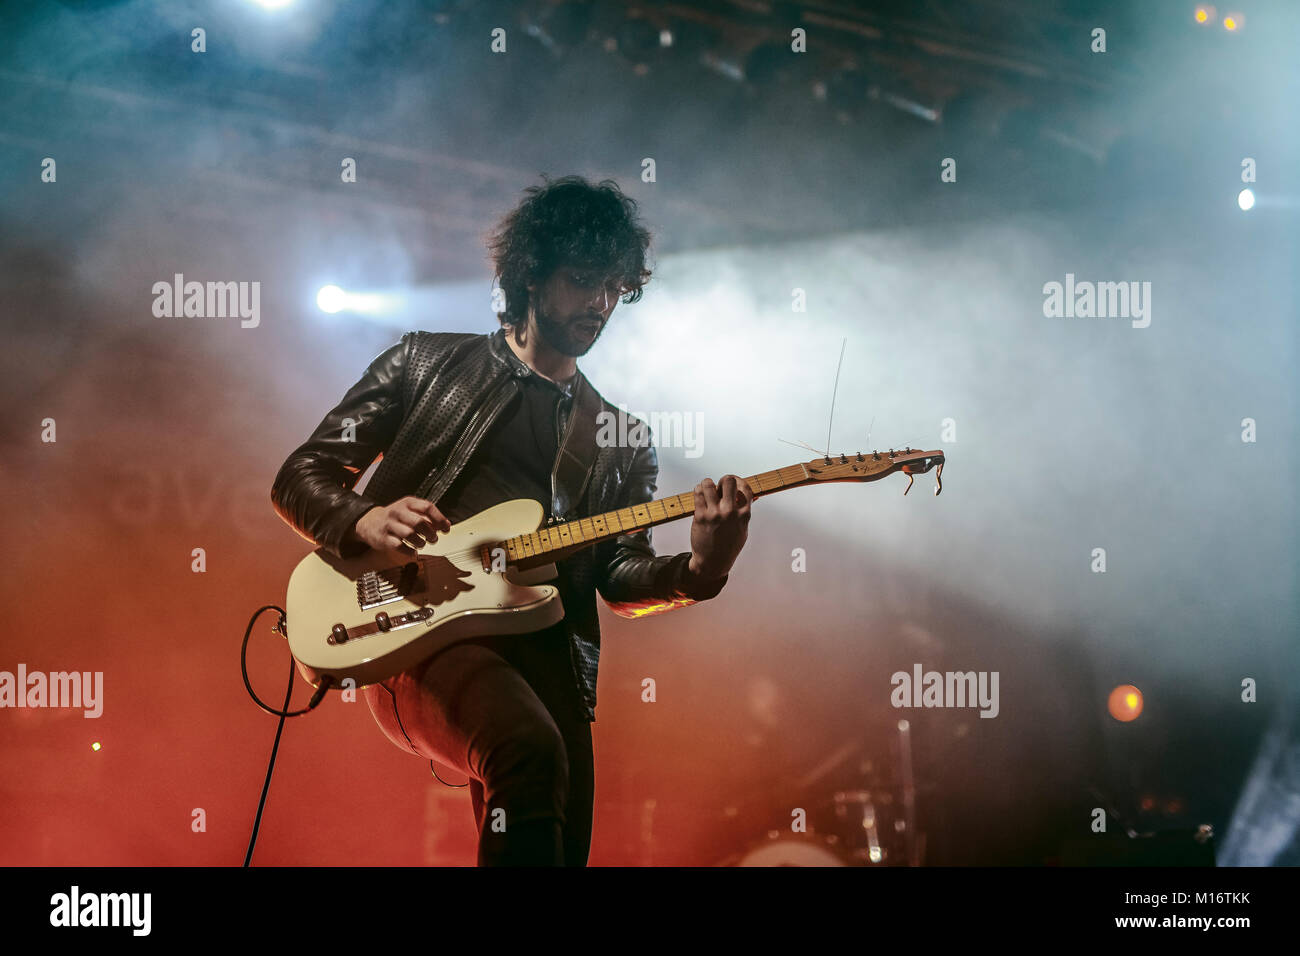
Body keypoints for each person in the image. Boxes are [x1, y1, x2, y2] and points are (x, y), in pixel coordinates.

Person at [271, 175, 754, 865]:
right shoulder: (425, 363)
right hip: (414, 631)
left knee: (556, 835)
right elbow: (300, 476)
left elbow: (618, 576)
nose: (601, 303)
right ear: (530, 275)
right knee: (526, 750)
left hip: (546, 655)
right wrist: (367, 517)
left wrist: (706, 566)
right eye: (584, 280)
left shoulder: (620, 435)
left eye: (615, 287)